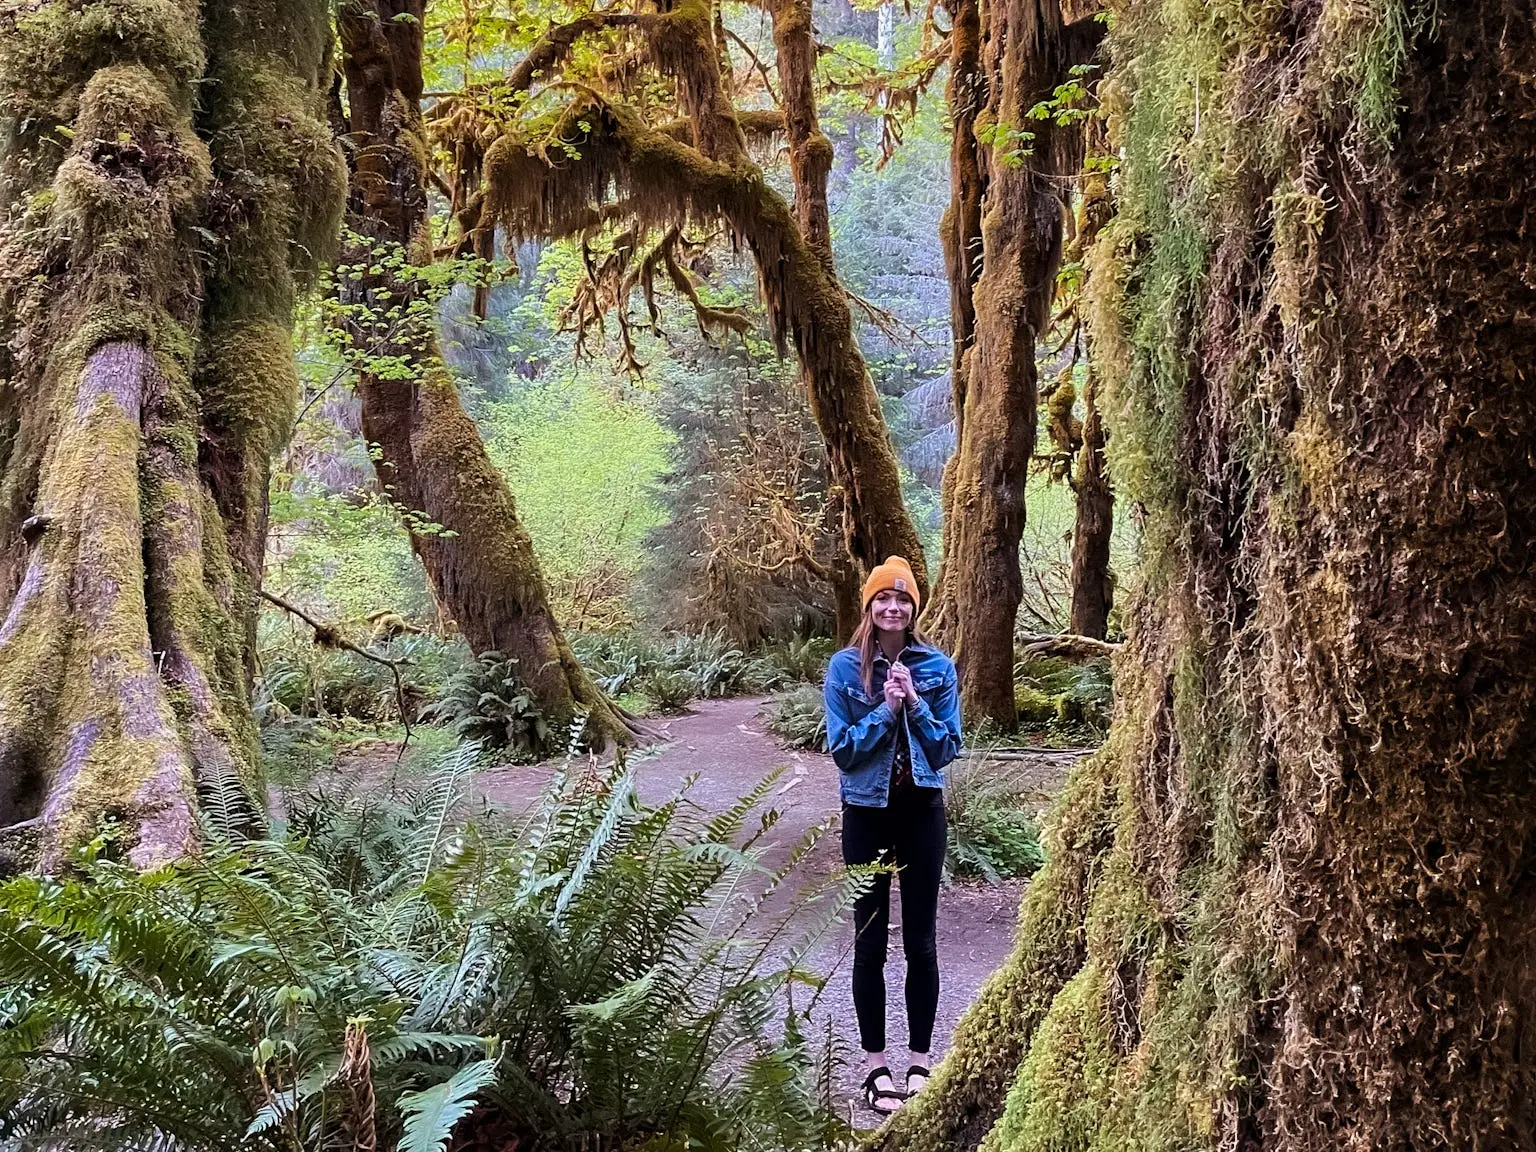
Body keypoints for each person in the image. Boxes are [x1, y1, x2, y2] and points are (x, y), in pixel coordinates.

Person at [823, 556, 962, 1115]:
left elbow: (948, 747)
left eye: (903, 600)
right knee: (870, 941)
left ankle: (921, 1061)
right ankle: (877, 1067)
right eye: (884, 598)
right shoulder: (842, 669)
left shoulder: (938, 666)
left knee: (921, 942)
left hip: (922, 812)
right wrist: (885, 709)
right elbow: (843, 750)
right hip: (867, 814)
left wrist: (917, 706)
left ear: (914, 609)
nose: (893, 607)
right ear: (869, 606)